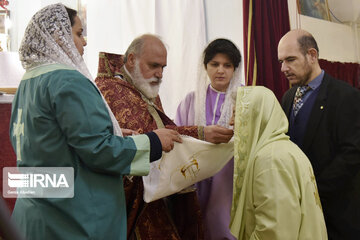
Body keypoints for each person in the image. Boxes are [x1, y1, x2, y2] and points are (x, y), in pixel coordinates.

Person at [9, 4, 181, 239]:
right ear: (60, 36)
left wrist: (117, 136)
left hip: (35, 209)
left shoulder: (28, 81)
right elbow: (99, 149)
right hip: (70, 220)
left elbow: (49, 146)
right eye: (79, 33)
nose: (85, 42)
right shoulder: (68, 80)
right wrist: (153, 141)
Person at [95, 34, 234, 239]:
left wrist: (203, 133)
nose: (159, 74)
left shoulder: (142, 84)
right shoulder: (110, 89)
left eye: (163, 67)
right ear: (132, 59)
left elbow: (163, 128)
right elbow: (143, 135)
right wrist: (201, 132)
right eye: (154, 65)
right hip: (132, 196)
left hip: (158, 189)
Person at [278, 29, 360, 239]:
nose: (283, 68)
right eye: (281, 61)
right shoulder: (288, 97)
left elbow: (352, 155)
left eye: (290, 59)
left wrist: (312, 191)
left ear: (312, 55)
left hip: (336, 213)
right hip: (299, 214)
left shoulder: (345, 96)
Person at [229, 86, 327, 240]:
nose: (231, 122)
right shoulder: (284, 149)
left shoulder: (270, 160)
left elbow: (274, 233)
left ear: (254, 115)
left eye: (236, 114)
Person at [175, 38, 242, 240]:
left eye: (227, 65)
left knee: (223, 225)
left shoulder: (245, 100)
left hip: (228, 178)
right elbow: (177, 134)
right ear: (205, 67)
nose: (220, 70)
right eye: (214, 64)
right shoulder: (190, 101)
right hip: (195, 174)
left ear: (235, 69)